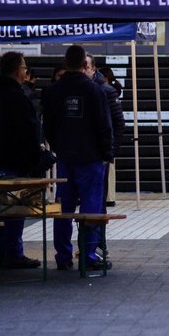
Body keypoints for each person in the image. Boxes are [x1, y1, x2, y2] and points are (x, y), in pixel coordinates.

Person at [43, 45, 113, 271]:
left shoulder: (54, 91)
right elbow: (104, 125)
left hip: (66, 156)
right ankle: (89, 254)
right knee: (91, 207)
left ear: (65, 63)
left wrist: (58, 147)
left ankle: (63, 255)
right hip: (90, 156)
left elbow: (49, 126)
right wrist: (106, 153)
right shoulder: (95, 91)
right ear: (85, 64)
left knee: (64, 207)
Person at [0, 51, 45, 269]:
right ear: (15, 70)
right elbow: (27, 131)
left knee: (1, 208)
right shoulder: (17, 97)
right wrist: (34, 158)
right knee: (15, 210)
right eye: (23, 67)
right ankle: (13, 253)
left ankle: (2, 251)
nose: (25, 71)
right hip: (15, 160)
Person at [95, 64, 127, 207]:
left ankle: (109, 196)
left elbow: (118, 121)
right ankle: (109, 196)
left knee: (109, 169)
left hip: (109, 136)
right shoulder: (113, 89)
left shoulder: (107, 91)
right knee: (110, 170)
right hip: (110, 136)